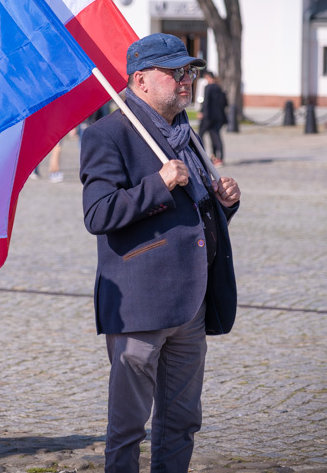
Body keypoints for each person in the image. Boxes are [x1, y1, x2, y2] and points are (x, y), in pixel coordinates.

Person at [79, 33, 241, 473]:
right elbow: (98, 213)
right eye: (175, 72)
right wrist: (159, 183)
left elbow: (197, 212)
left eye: (188, 70)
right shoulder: (108, 134)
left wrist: (224, 202)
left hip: (191, 303)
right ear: (141, 79)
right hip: (140, 304)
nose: (186, 80)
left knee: (182, 421)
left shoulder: (185, 132)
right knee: (129, 426)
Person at [197, 70, 228, 167]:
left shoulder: (208, 87)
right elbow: (225, 103)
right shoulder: (219, 87)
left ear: (207, 77)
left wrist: (202, 112)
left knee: (200, 135)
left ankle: (201, 156)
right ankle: (218, 157)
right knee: (215, 135)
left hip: (209, 116)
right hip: (219, 116)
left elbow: (206, 102)